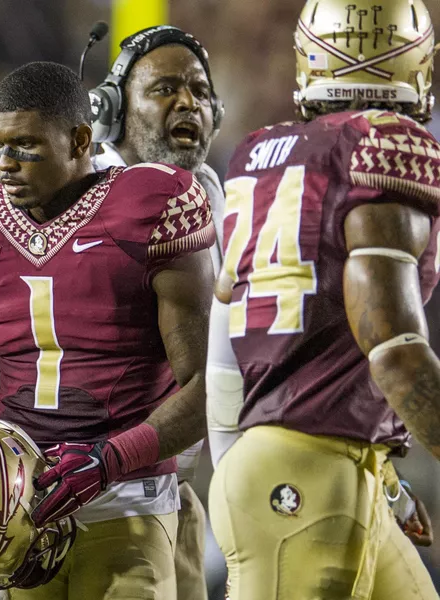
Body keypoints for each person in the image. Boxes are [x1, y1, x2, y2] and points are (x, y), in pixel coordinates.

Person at [0, 61, 215, 599]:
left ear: (80, 138)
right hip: (23, 514)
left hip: (128, 500)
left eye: (26, 146)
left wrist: (109, 461)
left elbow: (204, 389)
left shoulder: (151, 203)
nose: (6, 164)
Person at [208, 1, 440, 598]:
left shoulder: (255, 155)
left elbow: (223, 337)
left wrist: (240, 462)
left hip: (301, 466)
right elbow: (394, 351)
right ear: (419, 65)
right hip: (307, 479)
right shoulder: (385, 149)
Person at [90, 25, 227, 600]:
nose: (187, 102)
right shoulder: (79, 187)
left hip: (172, 482)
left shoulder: (208, 190)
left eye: (198, 89)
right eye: (165, 88)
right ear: (113, 112)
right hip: (85, 493)